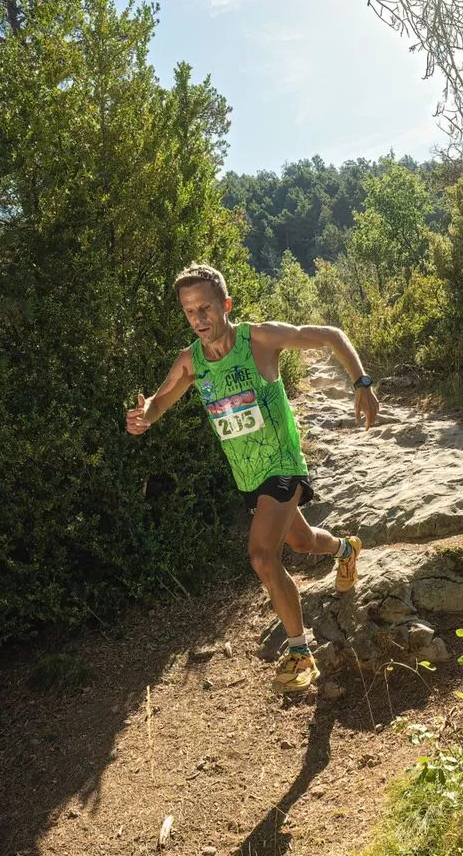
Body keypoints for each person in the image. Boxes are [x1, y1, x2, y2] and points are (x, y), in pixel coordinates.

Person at [125, 262, 380, 693]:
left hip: (282, 465)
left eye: (205, 307)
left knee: (262, 557)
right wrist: (143, 416)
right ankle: (344, 549)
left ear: (225, 304)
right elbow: (160, 400)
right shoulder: (190, 362)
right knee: (300, 542)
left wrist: (362, 382)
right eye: (189, 312)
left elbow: (332, 336)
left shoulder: (259, 338)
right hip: (248, 478)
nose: (199, 319)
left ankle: (300, 652)